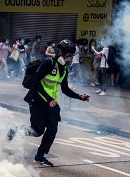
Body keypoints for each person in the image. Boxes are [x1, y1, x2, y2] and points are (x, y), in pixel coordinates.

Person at [7, 39, 91, 167]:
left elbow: (65, 89)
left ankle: (40, 156)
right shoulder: (48, 63)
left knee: (52, 129)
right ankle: (15, 130)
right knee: (37, 131)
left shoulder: (64, 70)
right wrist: (48, 99)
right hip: (37, 101)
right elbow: (36, 83)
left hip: (51, 104)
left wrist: (80, 97)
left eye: (71, 55)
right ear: (60, 52)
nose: (69, 58)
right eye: (68, 54)